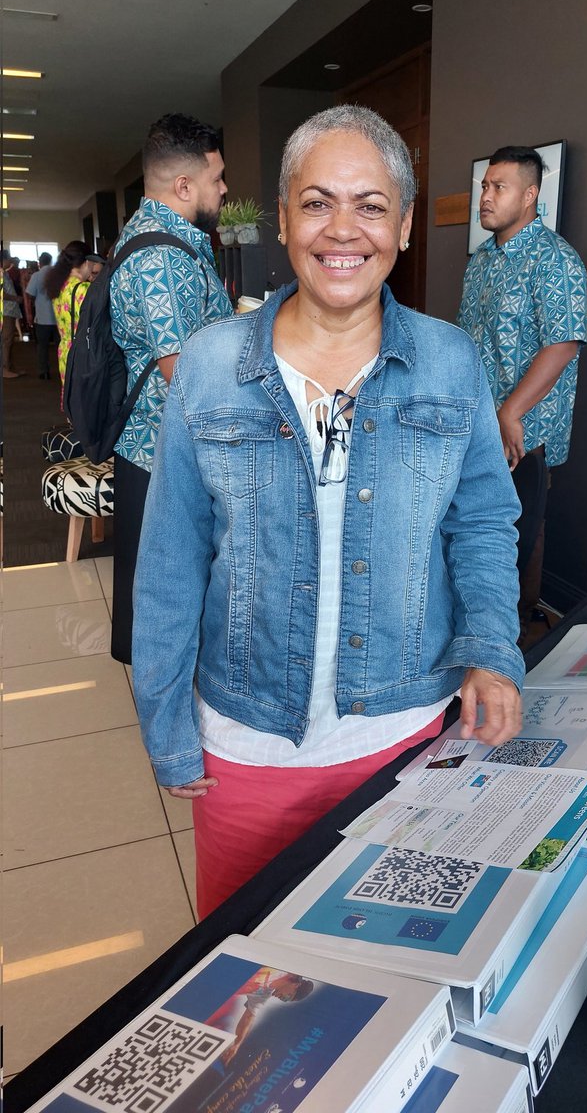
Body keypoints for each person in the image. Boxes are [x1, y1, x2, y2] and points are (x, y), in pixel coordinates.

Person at [133, 105, 524, 920]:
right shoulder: (210, 366)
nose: (342, 230)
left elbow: (482, 522)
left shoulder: (451, 361)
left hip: (407, 739)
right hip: (245, 750)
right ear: (281, 219)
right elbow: (170, 555)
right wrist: (166, 724)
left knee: (390, 956)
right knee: (246, 981)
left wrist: (491, 650)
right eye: (316, 203)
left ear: (406, 225)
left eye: (371, 205)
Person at [109, 112, 233, 664]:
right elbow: (179, 371)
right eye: (217, 178)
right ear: (184, 186)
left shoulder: (165, 240)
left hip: (158, 446)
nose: (225, 189)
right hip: (163, 451)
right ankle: (170, 704)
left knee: (156, 577)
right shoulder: (162, 257)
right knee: (163, 588)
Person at [458, 145, 587, 643]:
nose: (485, 197)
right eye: (484, 186)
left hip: (523, 434)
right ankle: (476, 630)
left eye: (498, 188)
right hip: (479, 421)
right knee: (480, 532)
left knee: (518, 537)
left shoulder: (555, 260)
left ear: (530, 194)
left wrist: (511, 411)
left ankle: (508, 644)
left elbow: (564, 342)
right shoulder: (484, 259)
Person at [45, 241, 93, 400]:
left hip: (65, 349)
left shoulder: (59, 286)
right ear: (86, 263)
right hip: (83, 352)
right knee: (85, 401)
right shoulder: (83, 289)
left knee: (71, 399)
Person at [25, 252, 57, 379]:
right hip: (58, 318)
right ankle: (65, 370)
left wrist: (36, 299)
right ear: (50, 261)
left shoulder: (36, 276)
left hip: (42, 318)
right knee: (60, 345)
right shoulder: (58, 275)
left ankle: (44, 372)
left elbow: (30, 294)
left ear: (40, 262)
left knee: (42, 347)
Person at [1, 249, 25, 378]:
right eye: (8, 258)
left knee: (9, 341)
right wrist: (16, 298)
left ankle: (9, 366)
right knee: (6, 340)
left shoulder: (5, 274)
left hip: (9, 311)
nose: (10, 261)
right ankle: (4, 369)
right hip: (5, 311)